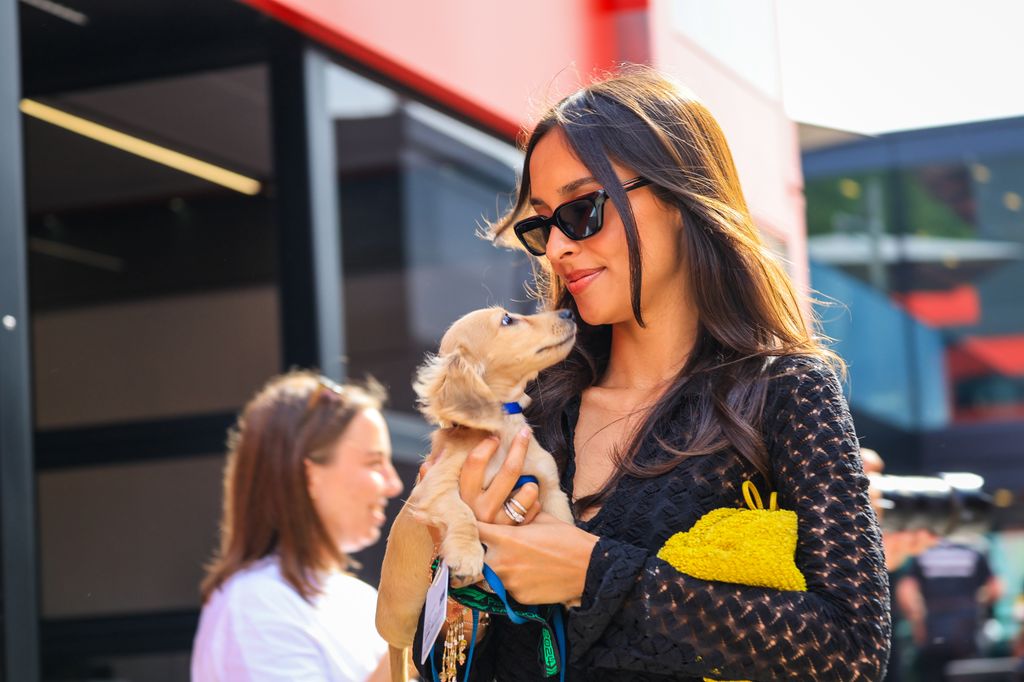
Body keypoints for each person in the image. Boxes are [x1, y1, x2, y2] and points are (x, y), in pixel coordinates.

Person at [412, 66, 890, 681]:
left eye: (583, 210)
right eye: (541, 224)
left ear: (677, 196)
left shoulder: (782, 393)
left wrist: (595, 575)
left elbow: (852, 649)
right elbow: (443, 664)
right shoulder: (529, 408)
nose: (558, 246)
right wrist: (457, 591)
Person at [191, 372, 404, 682]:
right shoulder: (255, 602)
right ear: (310, 475)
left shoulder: (359, 598)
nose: (393, 484)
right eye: (374, 463)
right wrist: (411, 639)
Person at [897, 529, 1002, 680]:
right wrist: (976, 603)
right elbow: (996, 589)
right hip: (967, 633)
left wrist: (917, 622)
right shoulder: (974, 548)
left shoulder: (924, 550)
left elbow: (906, 592)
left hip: (933, 633)